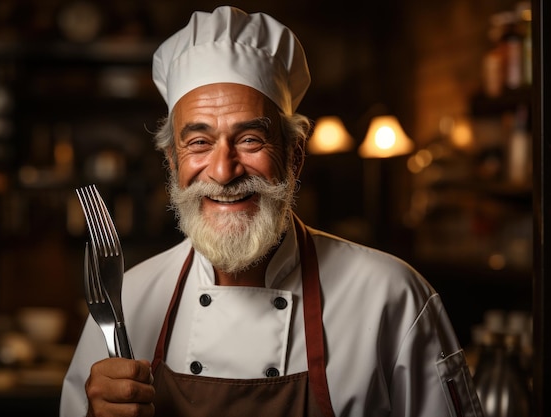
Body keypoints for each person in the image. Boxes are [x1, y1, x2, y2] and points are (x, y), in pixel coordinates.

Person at [60, 6, 484, 417]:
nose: (224, 172)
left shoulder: (392, 298)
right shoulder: (127, 301)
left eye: (249, 139)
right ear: (173, 162)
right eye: (199, 142)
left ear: (295, 156)